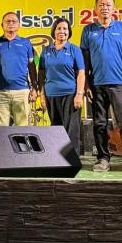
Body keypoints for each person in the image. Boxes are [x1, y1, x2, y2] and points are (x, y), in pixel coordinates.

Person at [81, 0, 122, 172]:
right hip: (97, 85)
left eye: (108, 5)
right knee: (100, 124)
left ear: (114, 9)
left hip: (119, 84)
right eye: (101, 5)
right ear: (95, 9)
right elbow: (85, 61)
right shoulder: (88, 30)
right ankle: (103, 159)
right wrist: (86, 84)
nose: (104, 7)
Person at [38, 18, 85, 154]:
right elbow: (41, 74)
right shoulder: (46, 51)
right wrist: (42, 96)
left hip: (70, 95)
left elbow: (81, 73)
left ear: (69, 32)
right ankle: (58, 158)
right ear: (54, 31)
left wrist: (79, 94)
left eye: (65, 29)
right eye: (59, 28)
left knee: (72, 130)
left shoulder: (74, 49)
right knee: (56, 129)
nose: (62, 31)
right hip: (51, 95)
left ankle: (72, 159)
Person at [0, 12, 38, 126]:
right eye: (7, 21)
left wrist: (34, 87)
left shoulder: (26, 43)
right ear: (2, 25)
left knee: (23, 129)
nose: (11, 24)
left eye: (14, 21)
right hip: (0, 92)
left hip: (22, 91)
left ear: (19, 25)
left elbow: (32, 66)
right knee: (1, 130)